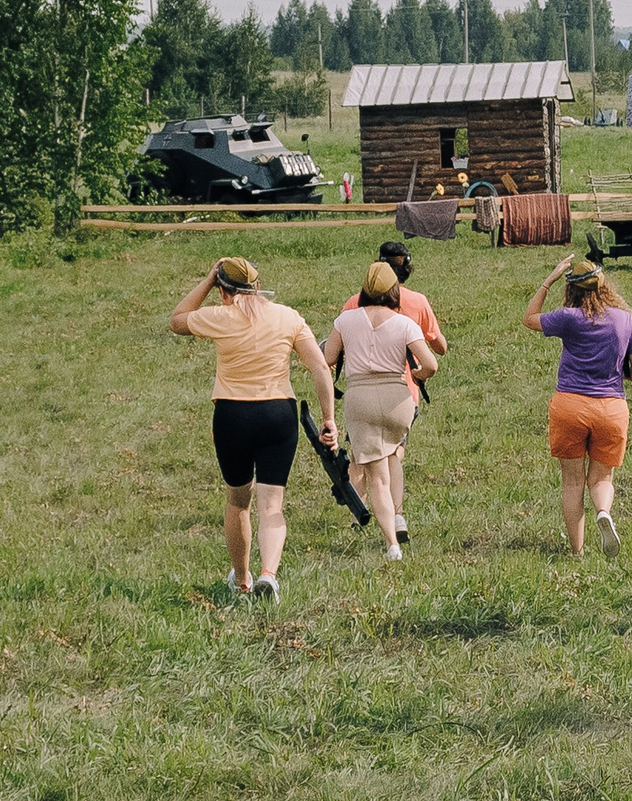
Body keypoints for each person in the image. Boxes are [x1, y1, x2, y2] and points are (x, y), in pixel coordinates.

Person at [170, 256, 336, 601]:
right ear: (258, 286)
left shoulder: (219, 316)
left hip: (232, 415)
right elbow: (320, 368)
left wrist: (206, 280)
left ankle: (243, 579)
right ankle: (268, 575)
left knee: (238, 502)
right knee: (272, 505)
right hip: (278, 413)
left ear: (223, 290)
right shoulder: (287, 316)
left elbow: (177, 320)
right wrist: (328, 418)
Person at [523, 252, 632, 559]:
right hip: (611, 408)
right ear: (603, 285)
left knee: (573, 481)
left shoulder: (568, 318)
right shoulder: (624, 319)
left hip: (570, 406)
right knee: (602, 478)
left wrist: (548, 279)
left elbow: (529, 319)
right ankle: (603, 511)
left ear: (573, 289)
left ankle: (576, 551)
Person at [337, 240, 447, 548]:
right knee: (393, 454)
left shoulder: (351, 306)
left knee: (362, 458)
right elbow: (439, 348)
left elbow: (335, 348)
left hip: (361, 393)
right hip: (403, 394)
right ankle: (397, 515)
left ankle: (358, 515)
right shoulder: (416, 304)